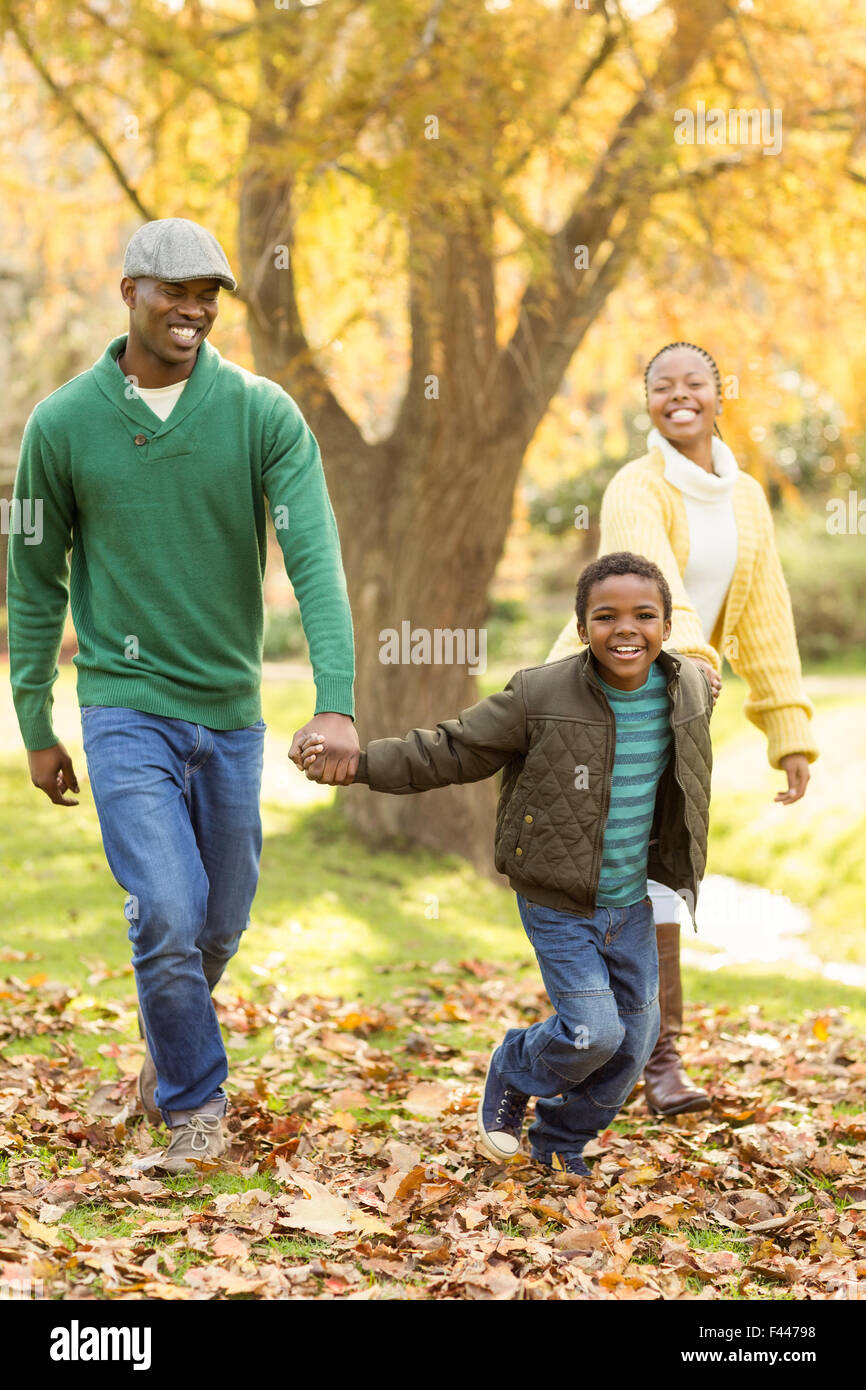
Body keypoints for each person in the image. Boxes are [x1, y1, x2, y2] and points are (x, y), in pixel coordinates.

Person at [7, 218, 359, 1173]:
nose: (196, 308)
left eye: (211, 293)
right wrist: (36, 721)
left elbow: (316, 560)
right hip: (123, 704)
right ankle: (197, 1112)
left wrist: (338, 699)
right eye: (177, 289)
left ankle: (162, 1065)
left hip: (231, 712)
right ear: (130, 290)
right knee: (165, 908)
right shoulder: (63, 423)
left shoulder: (261, 414)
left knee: (217, 919)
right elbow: (34, 579)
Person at [299, 552, 713, 1177]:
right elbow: (452, 749)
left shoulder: (685, 691)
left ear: (667, 624)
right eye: (606, 617)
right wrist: (359, 764)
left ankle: (558, 1141)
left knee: (634, 1045)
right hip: (557, 899)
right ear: (581, 630)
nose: (625, 629)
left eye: (644, 615)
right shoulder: (539, 694)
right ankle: (514, 1068)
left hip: (633, 903)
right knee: (593, 1033)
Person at [546, 341, 818, 1116]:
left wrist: (788, 730)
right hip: (601, 706)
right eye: (662, 386)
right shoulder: (638, 485)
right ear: (649, 404)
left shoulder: (748, 499)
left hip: (679, 712)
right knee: (596, 878)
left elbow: (767, 615)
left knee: (661, 872)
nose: (679, 396)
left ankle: (650, 1056)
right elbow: (650, 585)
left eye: (694, 382)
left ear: (718, 394)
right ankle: (614, 1047)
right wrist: (694, 659)